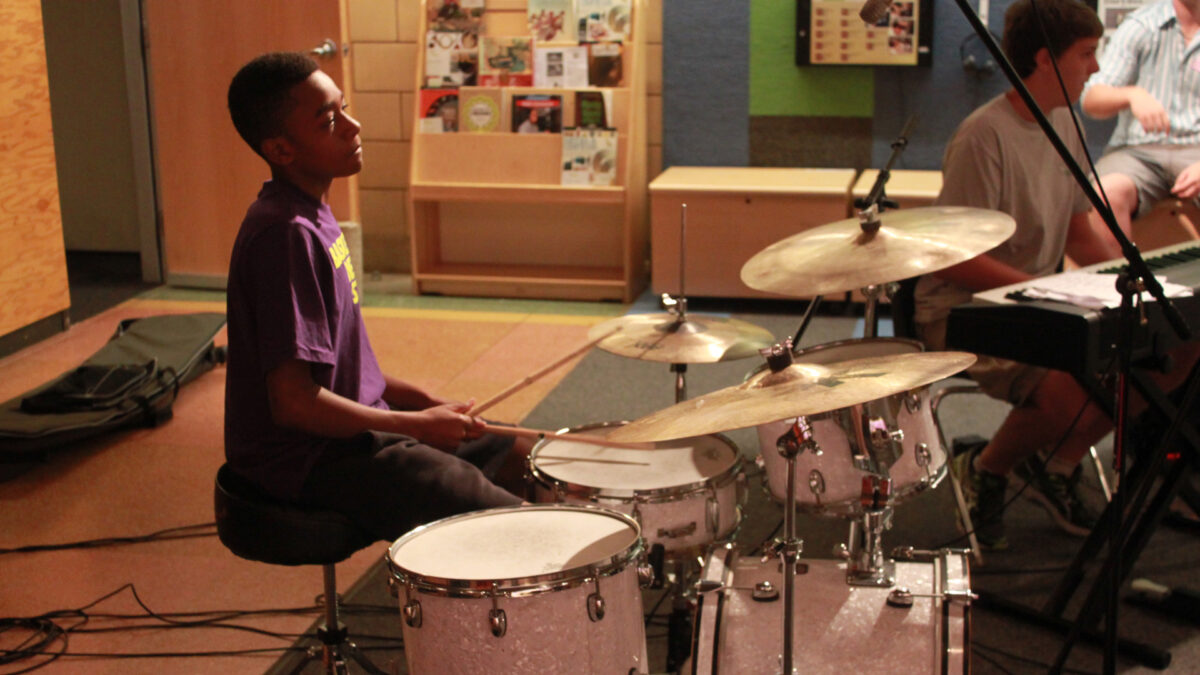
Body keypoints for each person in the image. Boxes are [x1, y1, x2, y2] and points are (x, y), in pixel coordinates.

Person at [223, 52, 529, 543]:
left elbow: (337, 365)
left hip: (358, 434)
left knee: (523, 454)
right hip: (308, 459)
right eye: (329, 120)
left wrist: (423, 403)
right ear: (281, 149)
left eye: (344, 108)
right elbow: (295, 404)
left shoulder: (313, 215)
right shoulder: (285, 236)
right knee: (516, 526)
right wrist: (418, 427)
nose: (352, 125)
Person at [913, 0, 1122, 550]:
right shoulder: (983, 136)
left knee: (1167, 360)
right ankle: (989, 466)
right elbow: (955, 258)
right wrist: (1044, 295)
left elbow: (1079, 231)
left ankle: (1056, 465)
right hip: (968, 309)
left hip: (1038, 300)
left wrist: (1130, 283)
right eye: (1086, 54)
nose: (1095, 69)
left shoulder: (1063, 125)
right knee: (1070, 390)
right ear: (1045, 60)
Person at [1081, 0, 1200, 237]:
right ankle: (1113, 273)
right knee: (1105, 194)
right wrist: (1131, 95)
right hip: (1138, 152)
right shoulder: (1141, 24)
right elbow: (1091, 99)